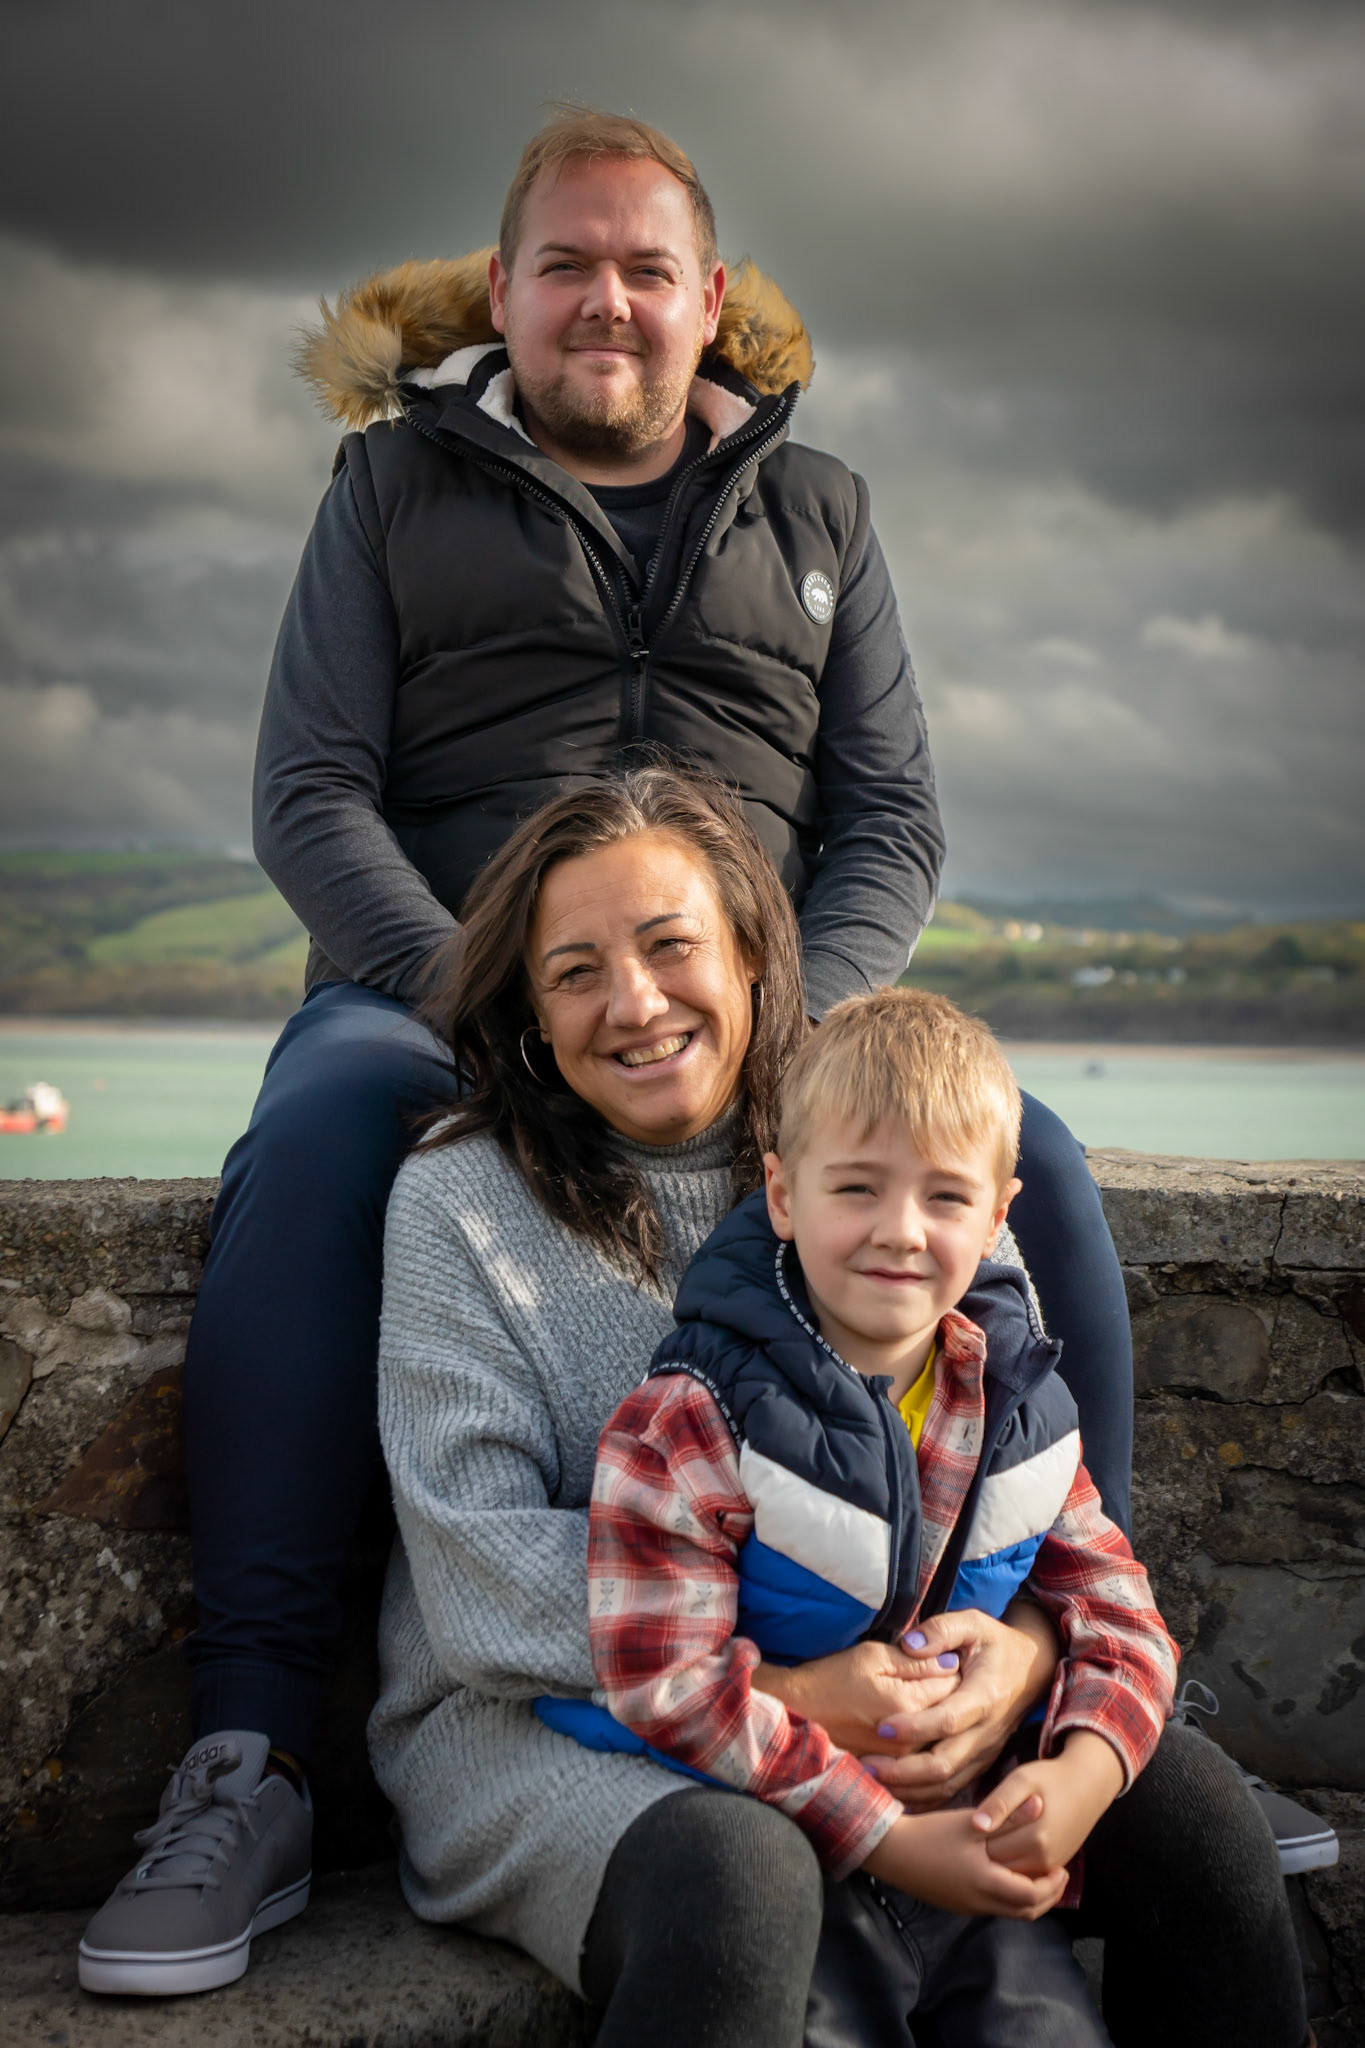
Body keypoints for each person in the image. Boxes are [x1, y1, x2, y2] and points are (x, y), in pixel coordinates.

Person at [80, 106, 1150, 1990]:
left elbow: (890, 815)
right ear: (501, 294)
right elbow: (309, 794)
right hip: (435, 994)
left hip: (750, 1003)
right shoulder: (393, 486)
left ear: (709, 300)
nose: (607, 301)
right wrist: (491, 1000)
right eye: (565, 266)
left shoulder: (821, 512)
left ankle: (1070, 1687)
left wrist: (785, 1041)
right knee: (331, 1130)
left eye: (646, 269)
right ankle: (247, 1751)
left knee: (1030, 1159)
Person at [366, 768, 1304, 2048]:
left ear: (753, 957)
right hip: (544, 1716)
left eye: (669, 945)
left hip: (908, 1668)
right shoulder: (457, 1197)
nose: (632, 1001)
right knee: (743, 1880)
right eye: (575, 970)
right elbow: (477, 1584)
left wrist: (1015, 1657)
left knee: (1192, 1813)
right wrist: (806, 1687)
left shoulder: (896, 1137)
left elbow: (1014, 1478)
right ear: (532, 1007)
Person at [557, 985, 1178, 2040]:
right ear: (783, 1192)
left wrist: (1080, 1773)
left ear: (998, 1215)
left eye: (945, 1197)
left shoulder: (1019, 1408)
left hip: (980, 1862)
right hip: (793, 1847)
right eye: (856, 1187)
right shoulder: (691, 1419)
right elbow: (663, 1682)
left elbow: (1120, 1610)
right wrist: (884, 1833)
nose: (900, 1232)